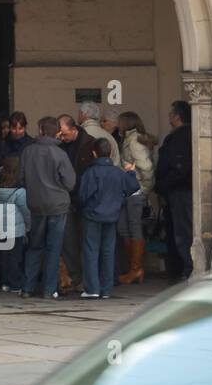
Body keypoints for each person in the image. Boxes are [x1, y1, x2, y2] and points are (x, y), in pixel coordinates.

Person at [19, 116, 75, 299]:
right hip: (57, 205)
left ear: (41, 130)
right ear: (56, 131)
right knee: (53, 248)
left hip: (36, 204)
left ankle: (27, 287)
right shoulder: (60, 153)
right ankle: (49, 290)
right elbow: (70, 182)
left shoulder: (28, 152)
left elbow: (21, 179)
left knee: (34, 247)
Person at [77, 139, 140, 299]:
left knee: (91, 251)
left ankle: (92, 288)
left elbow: (83, 196)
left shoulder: (91, 173)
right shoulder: (117, 172)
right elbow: (133, 187)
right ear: (111, 153)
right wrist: (131, 172)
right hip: (112, 217)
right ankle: (106, 289)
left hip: (92, 215)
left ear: (94, 153)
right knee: (108, 251)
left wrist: (82, 208)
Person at [116, 111, 158, 284]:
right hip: (129, 192)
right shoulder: (130, 139)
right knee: (125, 228)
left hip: (135, 192)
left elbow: (146, 167)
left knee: (133, 228)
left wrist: (144, 189)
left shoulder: (133, 141)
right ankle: (134, 268)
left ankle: (136, 269)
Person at [154, 100, 193, 282]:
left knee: (183, 233)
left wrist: (163, 185)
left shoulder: (180, 137)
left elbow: (179, 167)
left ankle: (188, 270)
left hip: (181, 192)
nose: (169, 116)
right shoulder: (182, 135)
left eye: (171, 113)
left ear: (177, 116)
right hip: (178, 191)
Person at [55, 114, 94, 294]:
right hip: (67, 199)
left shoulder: (90, 144)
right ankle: (74, 277)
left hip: (85, 199)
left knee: (86, 240)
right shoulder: (60, 146)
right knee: (69, 241)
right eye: (60, 134)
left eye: (64, 134)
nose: (62, 137)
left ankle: (86, 279)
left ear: (74, 129)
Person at [0, 154, 28, 293]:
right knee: (15, 257)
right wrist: (28, 224)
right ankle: (14, 283)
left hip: (1, 227)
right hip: (16, 229)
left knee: (4, 256)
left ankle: (5, 281)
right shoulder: (20, 192)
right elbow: (25, 211)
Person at [0, 111, 30, 185]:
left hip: (25, 186)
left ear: (25, 128)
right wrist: (1, 170)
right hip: (5, 186)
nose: (17, 131)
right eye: (14, 128)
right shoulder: (2, 144)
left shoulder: (31, 144)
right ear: (10, 128)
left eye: (20, 128)